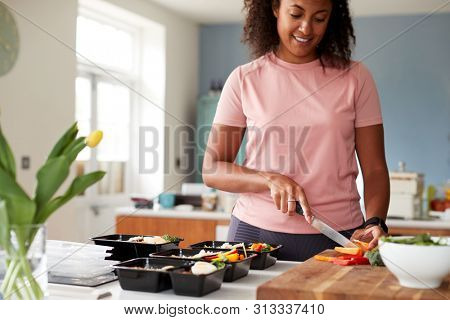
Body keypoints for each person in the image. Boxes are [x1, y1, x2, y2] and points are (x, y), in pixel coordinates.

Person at [202, 0, 390, 261]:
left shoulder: (356, 78)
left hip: (340, 236)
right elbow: (213, 168)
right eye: (296, 14)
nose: (306, 28)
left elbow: (375, 169)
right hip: (254, 233)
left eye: (319, 18)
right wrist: (268, 179)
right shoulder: (244, 79)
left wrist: (375, 220)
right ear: (276, 9)